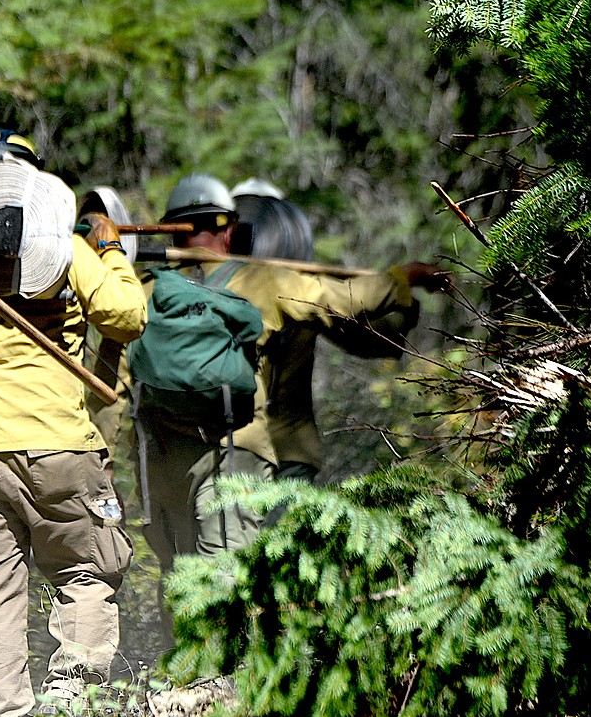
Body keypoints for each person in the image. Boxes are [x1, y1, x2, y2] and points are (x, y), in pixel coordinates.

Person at [137, 173, 450, 612]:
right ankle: (241, 668)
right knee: (258, 571)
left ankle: (184, 665)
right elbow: (366, 324)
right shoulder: (274, 283)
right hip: (264, 454)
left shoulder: (154, 291)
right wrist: (403, 280)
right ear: (231, 229)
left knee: (189, 568)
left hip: (181, 454)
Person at [0, 129, 147, 717]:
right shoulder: (68, 248)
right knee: (87, 569)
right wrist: (107, 251)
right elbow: (127, 318)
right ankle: (73, 697)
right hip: (59, 444)